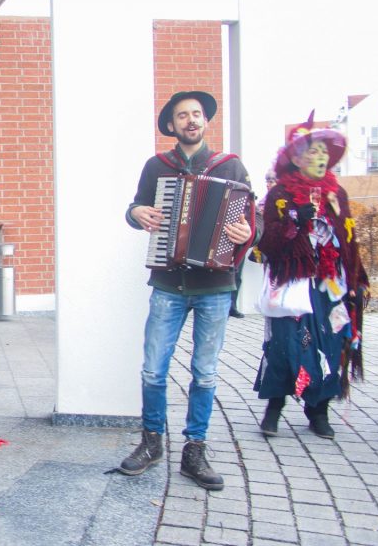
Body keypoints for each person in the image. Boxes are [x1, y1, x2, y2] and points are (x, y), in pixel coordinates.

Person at [118, 90, 254, 491]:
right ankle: (151, 443)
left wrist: (250, 232)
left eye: (196, 114)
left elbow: (253, 218)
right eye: (182, 116)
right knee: (153, 368)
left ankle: (195, 450)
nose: (190, 120)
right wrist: (135, 213)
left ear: (204, 121)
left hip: (215, 285)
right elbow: (137, 208)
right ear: (172, 126)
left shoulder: (230, 166)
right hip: (168, 284)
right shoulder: (156, 167)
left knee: (205, 373)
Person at [255, 115, 368, 440]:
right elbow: (268, 244)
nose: (319, 157)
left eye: (323, 152)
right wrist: (293, 221)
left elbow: (349, 242)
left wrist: (356, 280)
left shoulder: (338, 194)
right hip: (293, 284)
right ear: (296, 158)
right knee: (285, 346)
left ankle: (319, 411)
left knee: (331, 345)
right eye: (311, 152)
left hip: (329, 287)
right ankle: (274, 407)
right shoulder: (280, 194)